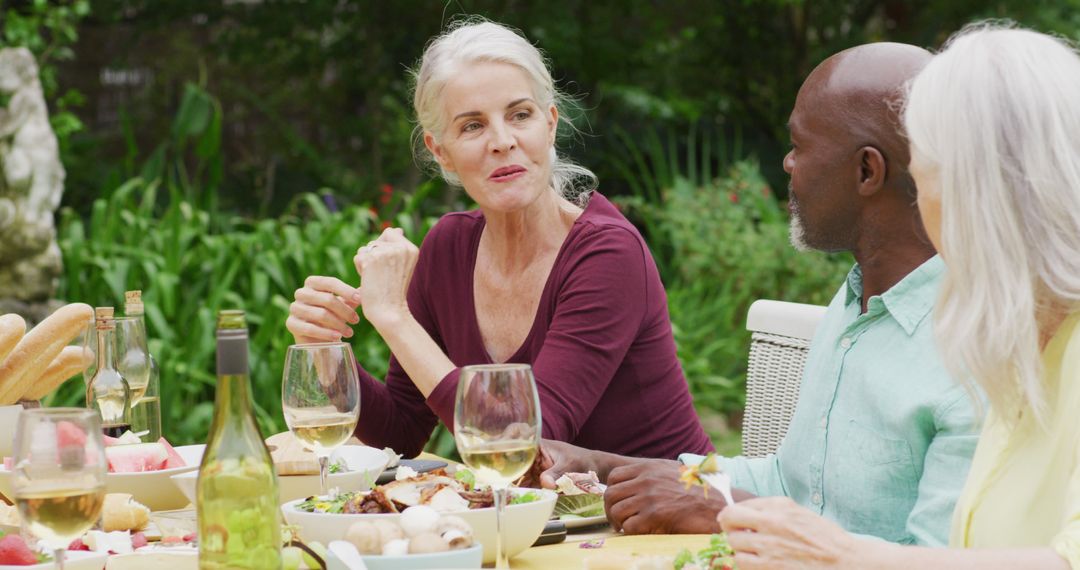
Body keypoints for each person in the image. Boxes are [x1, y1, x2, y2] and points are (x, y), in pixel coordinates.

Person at [537, 42, 981, 546]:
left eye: (801, 144)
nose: (789, 163)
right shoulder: (856, 300)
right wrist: (601, 466)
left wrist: (724, 507)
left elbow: (934, 559)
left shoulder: (973, 354)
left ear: (866, 171)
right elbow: (786, 484)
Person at [717, 24, 1080, 570]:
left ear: (979, 183)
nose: (918, 195)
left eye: (926, 166)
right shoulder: (1011, 339)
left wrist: (844, 556)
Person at [285, 20, 713, 459]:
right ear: (440, 151)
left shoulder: (608, 253)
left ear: (550, 125)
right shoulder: (448, 249)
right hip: (553, 518)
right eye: (472, 126)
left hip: (670, 517)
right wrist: (323, 351)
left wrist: (394, 317)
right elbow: (403, 430)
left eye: (520, 115)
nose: (503, 141)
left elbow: (521, 440)